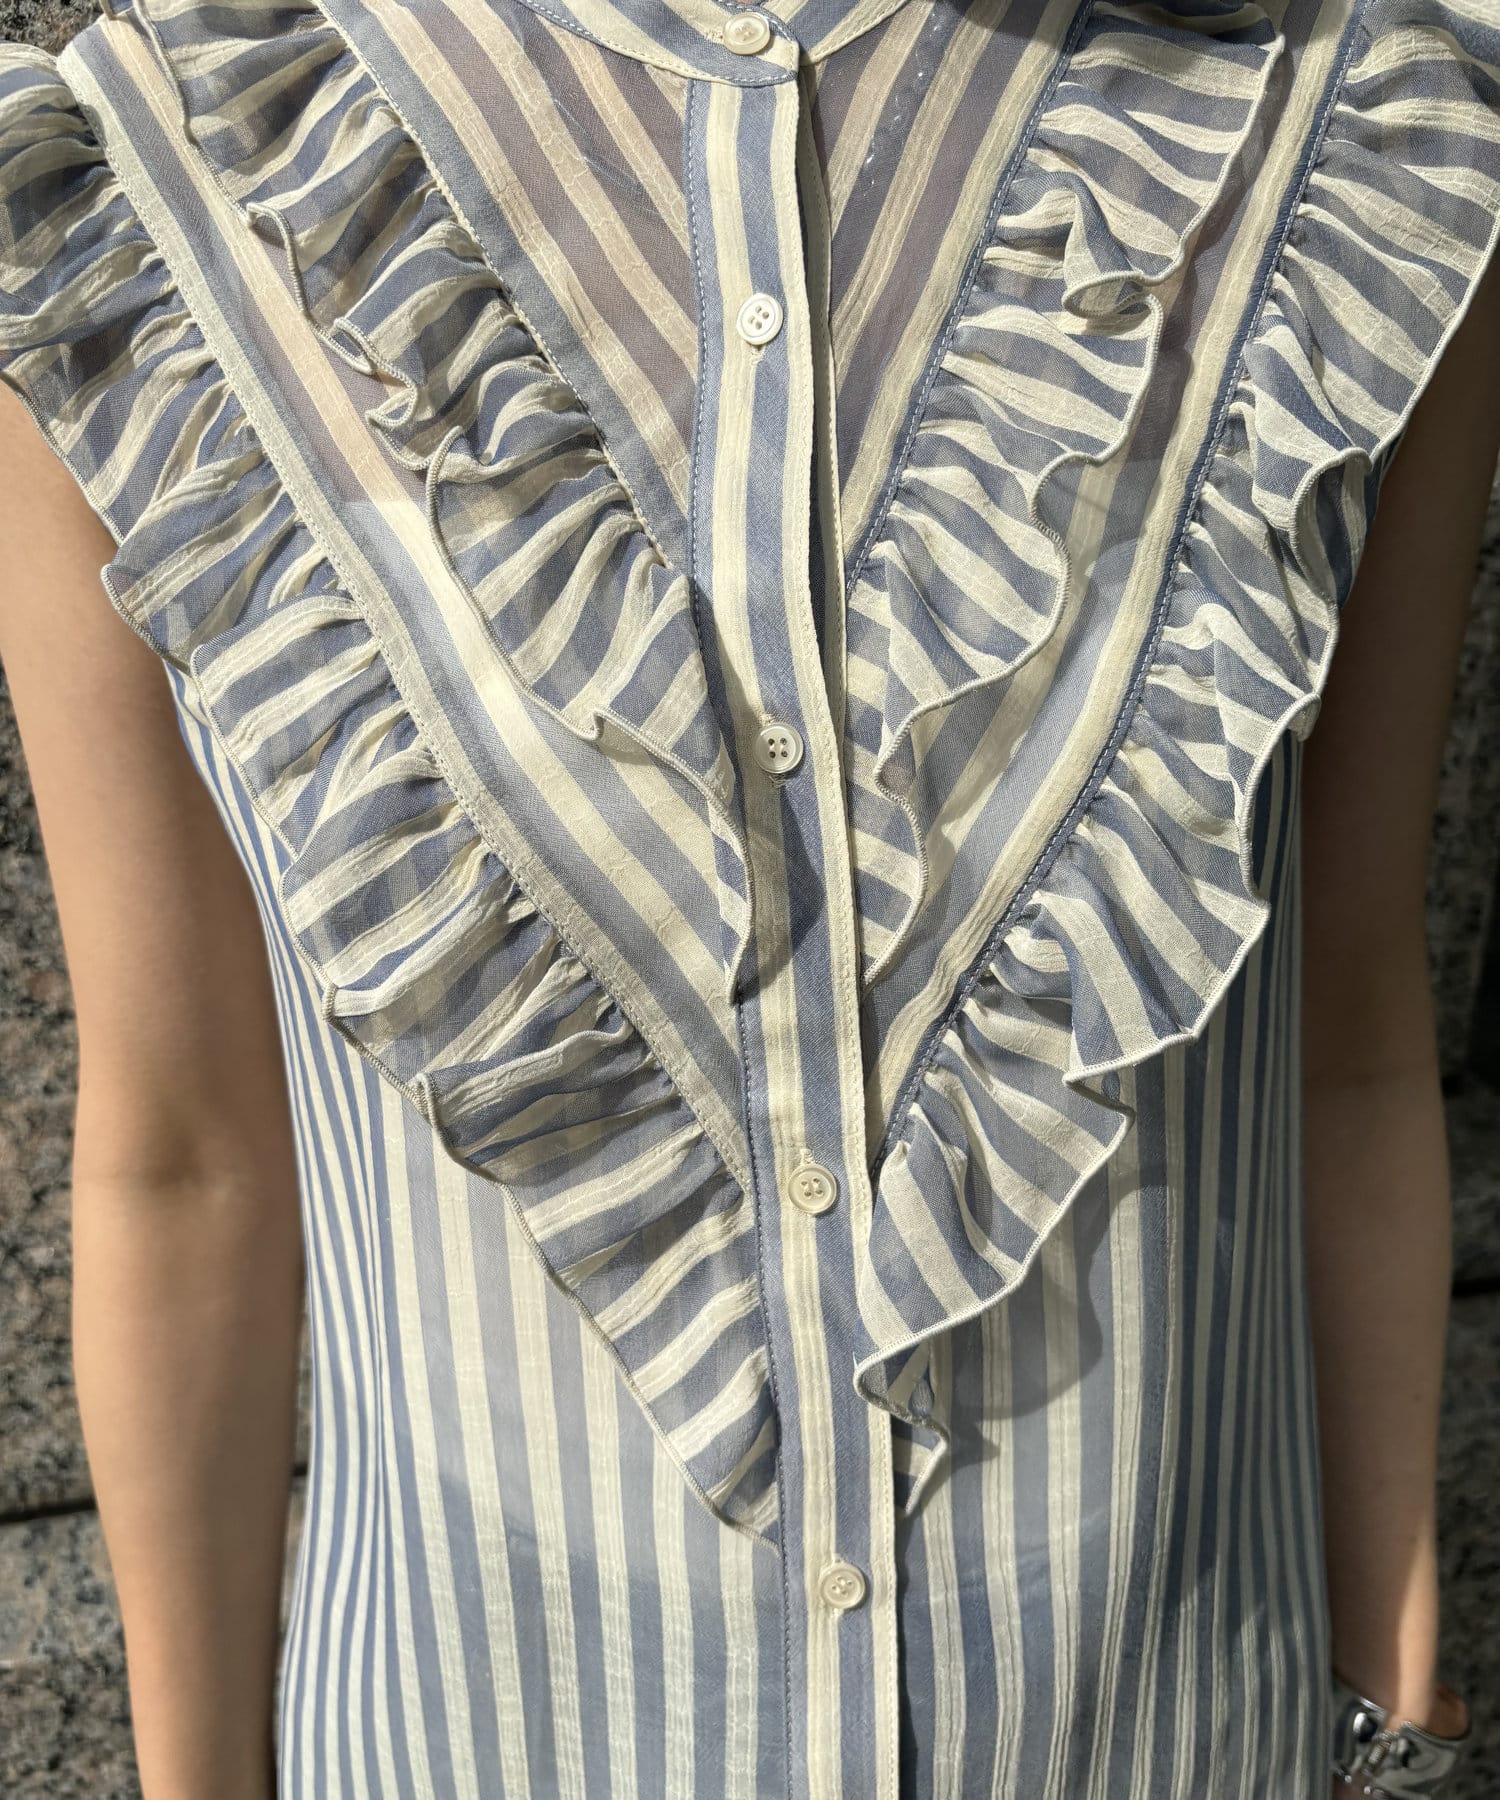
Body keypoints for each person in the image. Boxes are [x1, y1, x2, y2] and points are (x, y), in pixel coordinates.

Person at [0, 0, 1497, 1795]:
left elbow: (1347, 1025)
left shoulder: (1349, 145)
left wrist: (1394, 1680)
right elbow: (185, 1153)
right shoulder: (146, 207)